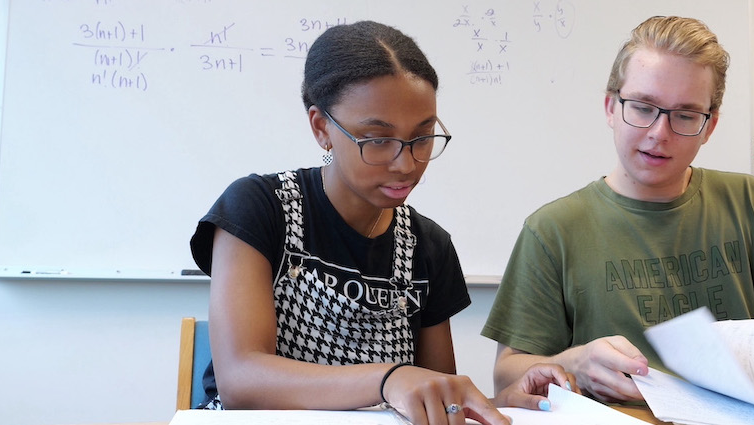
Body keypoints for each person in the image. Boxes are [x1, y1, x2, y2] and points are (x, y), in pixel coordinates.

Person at [189, 21, 572, 425]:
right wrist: (389, 378)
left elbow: (436, 395)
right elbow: (241, 381)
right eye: (377, 140)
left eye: (422, 138)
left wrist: (500, 402)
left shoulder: (427, 245)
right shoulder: (259, 208)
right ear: (322, 128)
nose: (406, 164)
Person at [481, 16, 754, 403]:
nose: (658, 133)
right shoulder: (552, 229)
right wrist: (574, 361)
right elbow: (504, 379)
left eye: (685, 115)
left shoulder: (751, 202)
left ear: (709, 127)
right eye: (643, 107)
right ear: (610, 108)